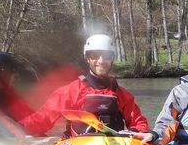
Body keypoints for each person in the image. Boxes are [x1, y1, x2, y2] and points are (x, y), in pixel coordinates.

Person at [19, 34, 149, 138]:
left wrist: (134, 132)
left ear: (112, 58)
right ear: (87, 58)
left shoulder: (123, 95)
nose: (101, 61)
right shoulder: (71, 91)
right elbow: (43, 118)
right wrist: (19, 128)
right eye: (95, 56)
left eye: (107, 56)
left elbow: (139, 123)